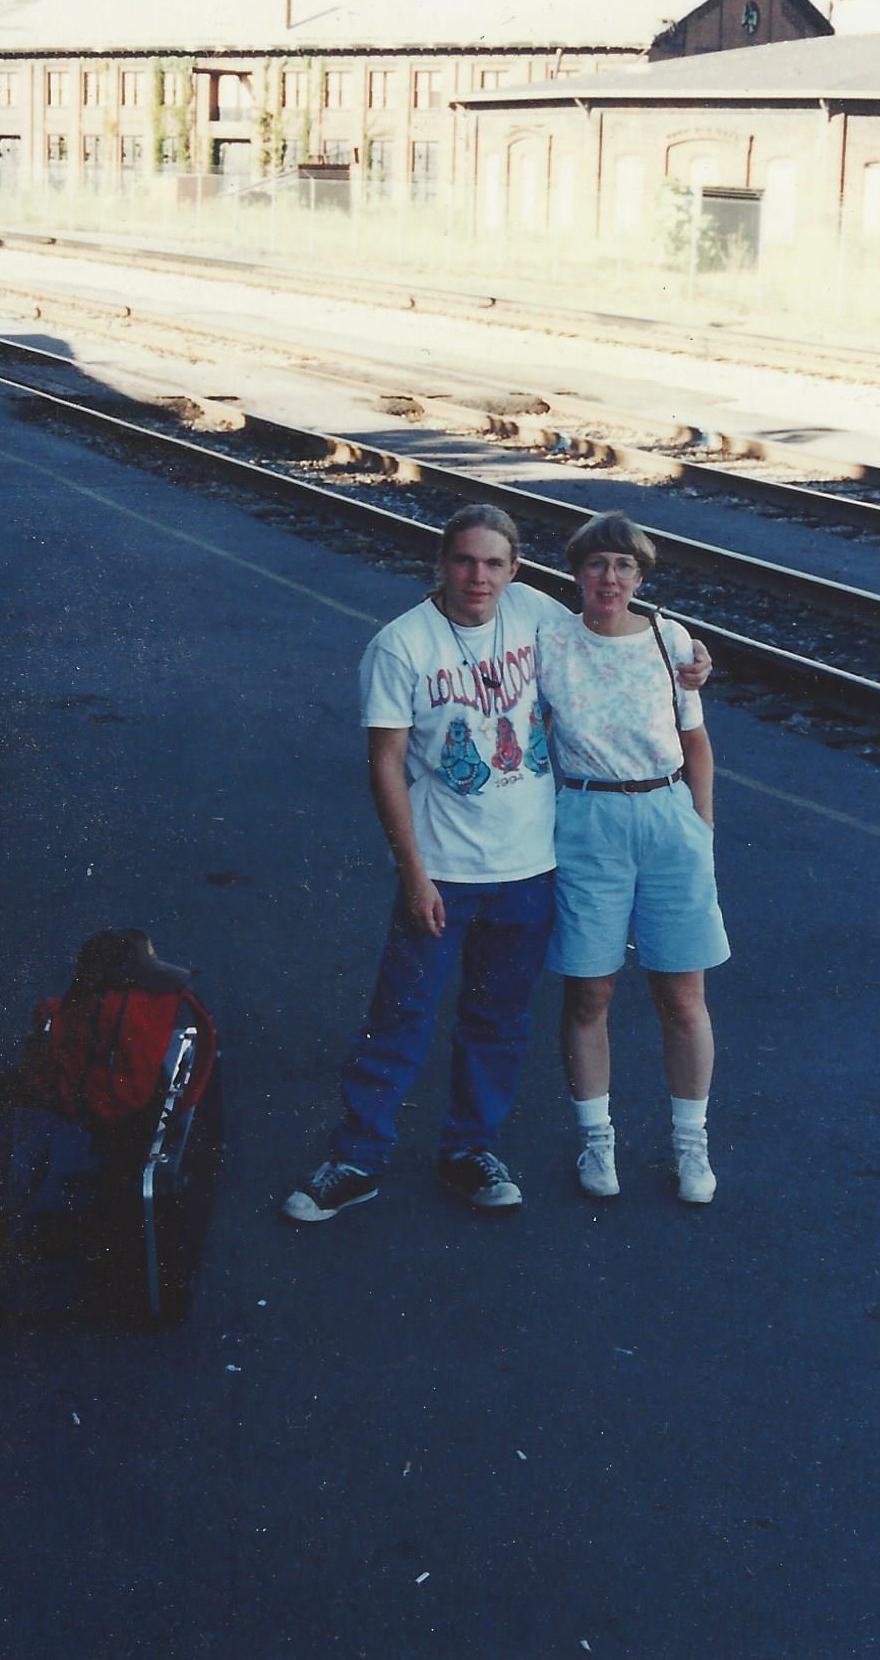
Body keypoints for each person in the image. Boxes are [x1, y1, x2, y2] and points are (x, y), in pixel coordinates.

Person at [283, 503, 711, 1221]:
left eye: (493, 563)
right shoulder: (401, 645)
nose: (478, 577)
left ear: (515, 570)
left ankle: (468, 1150)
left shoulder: (536, 613)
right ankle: (356, 1156)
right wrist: (413, 872)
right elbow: (384, 765)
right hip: (444, 871)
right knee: (402, 1017)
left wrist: (695, 662)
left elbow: (616, 623)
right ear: (441, 564)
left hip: (531, 866)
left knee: (499, 1021)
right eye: (464, 561)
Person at [538, 511, 730, 1205]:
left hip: (668, 816)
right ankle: (597, 1141)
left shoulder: (669, 638)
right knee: (590, 990)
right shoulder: (550, 639)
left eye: (624, 567)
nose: (609, 578)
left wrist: (700, 830)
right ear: (577, 573)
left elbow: (697, 742)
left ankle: (691, 1145)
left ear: (641, 578)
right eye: (596, 565)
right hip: (588, 817)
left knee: (682, 994)